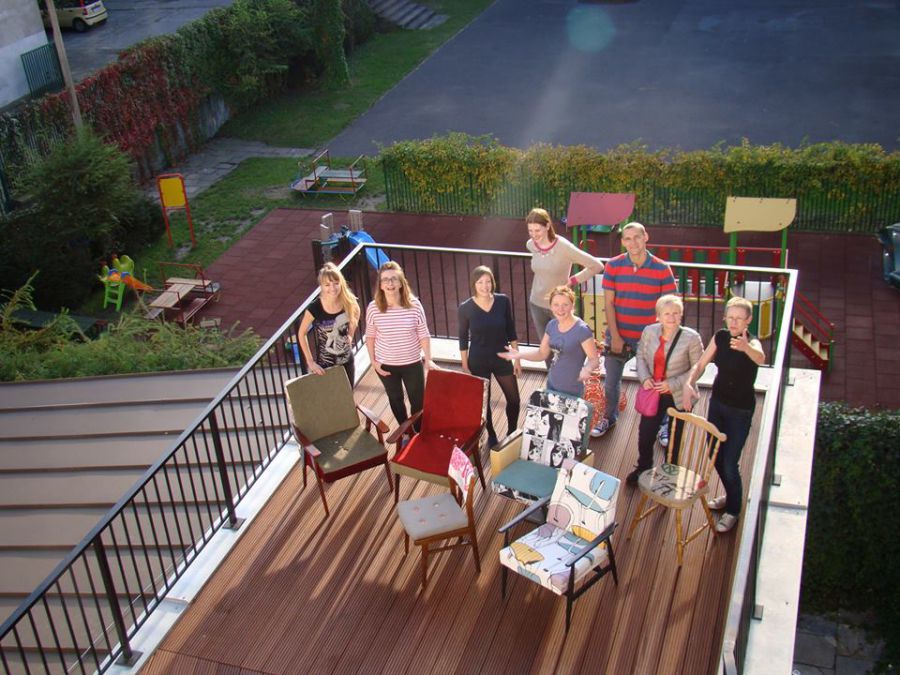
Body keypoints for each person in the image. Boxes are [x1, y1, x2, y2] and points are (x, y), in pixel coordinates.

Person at [682, 296, 765, 533]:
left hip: (740, 411)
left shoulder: (752, 342)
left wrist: (746, 347)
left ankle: (733, 510)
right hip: (717, 404)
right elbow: (700, 364)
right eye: (730, 317)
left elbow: (760, 358)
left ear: (748, 320)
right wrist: (689, 383)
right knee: (715, 455)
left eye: (739, 318)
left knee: (729, 462)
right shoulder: (720, 336)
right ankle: (730, 495)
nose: (734, 322)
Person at [593, 222, 677, 438]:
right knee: (611, 383)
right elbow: (609, 303)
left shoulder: (662, 269)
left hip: (650, 340)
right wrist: (616, 336)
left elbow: (671, 307)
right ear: (622, 242)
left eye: (637, 237)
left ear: (645, 237)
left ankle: (663, 424)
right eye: (628, 239)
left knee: (657, 384)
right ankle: (609, 417)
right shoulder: (613, 266)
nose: (633, 243)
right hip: (618, 336)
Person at [628, 294, 703, 485]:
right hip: (654, 392)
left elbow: (698, 368)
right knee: (646, 434)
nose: (671, 317)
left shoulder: (691, 338)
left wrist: (673, 384)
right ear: (658, 316)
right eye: (667, 313)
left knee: (675, 438)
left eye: (676, 313)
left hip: (678, 394)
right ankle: (644, 467)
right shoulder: (649, 331)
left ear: (681, 315)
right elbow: (640, 355)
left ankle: (670, 472)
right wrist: (645, 378)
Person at [365, 261, 436, 429]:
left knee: (418, 400)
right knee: (395, 399)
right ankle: (405, 431)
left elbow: (423, 334)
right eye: (385, 280)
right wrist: (373, 362)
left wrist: (428, 359)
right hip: (386, 365)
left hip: (412, 363)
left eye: (394, 279)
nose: (390, 283)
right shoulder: (373, 308)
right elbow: (370, 337)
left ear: (401, 283)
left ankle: (418, 432)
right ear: (380, 285)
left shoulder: (414, 305)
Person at [458, 265, 521, 448]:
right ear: (473, 284)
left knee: (514, 400)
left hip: (502, 357)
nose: (485, 286)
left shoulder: (503, 301)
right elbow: (463, 338)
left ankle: (511, 432)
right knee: (484, 402)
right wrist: (465, 365)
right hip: (478, 360)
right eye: (480, 282)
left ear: (493, 283)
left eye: (488, 282)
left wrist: (517, 358)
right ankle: (491, 433)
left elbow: (511, 329)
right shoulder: (465, 308)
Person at [525, 208, 605, 351]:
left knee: (566, 348)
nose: (534, 234)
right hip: (536, 303)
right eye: (530, 230)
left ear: (547, 226)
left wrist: (572, 281)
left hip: (560, 306)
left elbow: (596, 265)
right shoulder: (531, 245)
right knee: (546, 349)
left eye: (537, 230)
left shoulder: (563, 247)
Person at [499, 286, 599, 398]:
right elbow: (542, 354)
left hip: (573, 391)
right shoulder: (551, 325)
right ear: (551, 307)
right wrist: (519, 355)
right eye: (556, 305)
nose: (560, 309)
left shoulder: (582, 330)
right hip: (552, 386)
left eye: (565, 305)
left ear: (573, 305)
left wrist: (587, 369)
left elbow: (594, 359)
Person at [297, 263, 360, 385]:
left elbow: (357, 312)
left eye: (336, 283)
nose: (332, 288)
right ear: (321, 286)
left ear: (341, 283)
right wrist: (310, 362)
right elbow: (302, 333)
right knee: (331, 395)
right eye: (327, 285)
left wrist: (351, 334)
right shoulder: (315, 307)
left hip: (346, 360)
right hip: (326, 365)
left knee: (347, 394)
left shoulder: (348, 301)